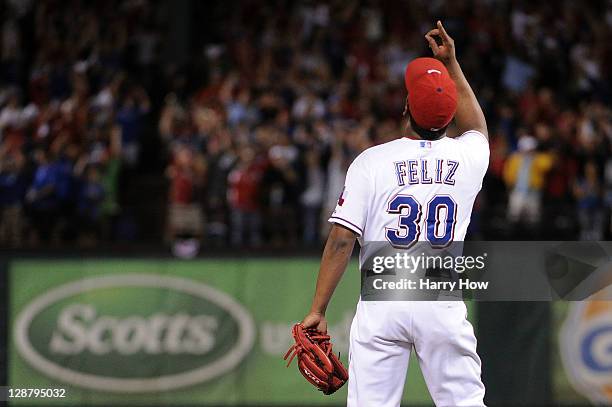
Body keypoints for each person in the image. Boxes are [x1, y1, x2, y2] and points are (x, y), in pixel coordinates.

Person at [299, 22, 488, 406]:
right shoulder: (470, 156)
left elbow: (340, 241)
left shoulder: (372, 161)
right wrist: (451, 65)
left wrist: (318, 309)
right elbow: (477, 126)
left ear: (406, 107)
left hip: (383, 299)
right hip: (440, 299)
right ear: (450, 116)